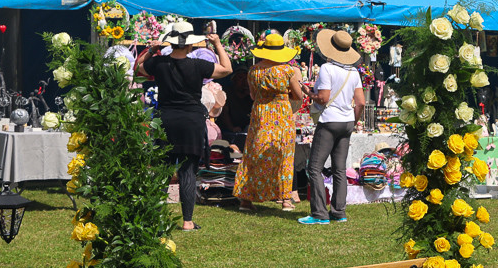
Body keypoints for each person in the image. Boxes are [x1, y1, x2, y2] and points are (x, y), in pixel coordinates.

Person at [138, 21, 232, 230]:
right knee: (188, 171)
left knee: (162, 171)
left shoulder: (159, 63)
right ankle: (188, 222)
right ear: (190, 45)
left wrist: (152, 51)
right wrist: (217, 44)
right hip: (191, 122)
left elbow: (139, 68)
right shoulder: (198, 66)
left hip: (165, 120)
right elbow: (227, 69)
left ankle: (156, 219)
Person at [299, 29, 365, 225]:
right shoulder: (353, 71)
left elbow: (323, 98)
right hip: (346, 121)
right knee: (339, 169)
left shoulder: (327, 69)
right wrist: (353, 121)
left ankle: (319, 213)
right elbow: (360, 102)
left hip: (329, 121)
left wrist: (308, 93)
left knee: (315, 167)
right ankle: (339, 211)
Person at [233, 34, 303, 213]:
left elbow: (253, 95)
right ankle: (285, 199)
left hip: (261, 114)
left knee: (253, 153)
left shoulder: (253, 70)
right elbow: (298, 96)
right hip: (281, 114)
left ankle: (246, 200)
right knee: (283, 153)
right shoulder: (287, 71)